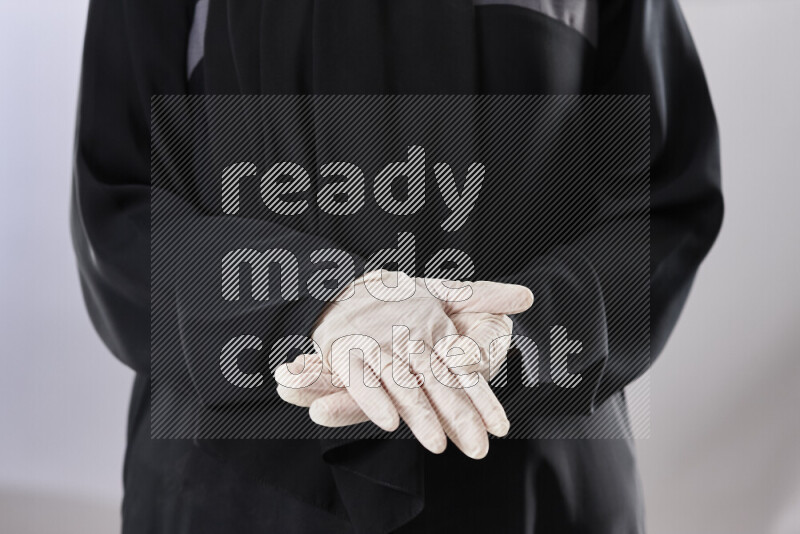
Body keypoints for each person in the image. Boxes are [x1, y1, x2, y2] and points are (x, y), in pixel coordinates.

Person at [71, 0, 723, 532]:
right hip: (240, 490)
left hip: (529, 476)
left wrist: (513, 332)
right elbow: (119, 200)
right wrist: (320, 299)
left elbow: (661, 196)